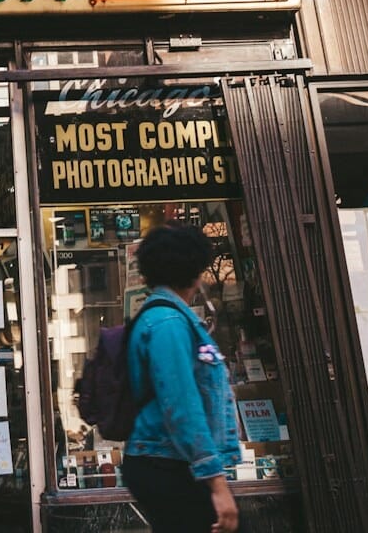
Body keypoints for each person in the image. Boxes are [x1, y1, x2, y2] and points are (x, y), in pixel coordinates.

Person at [121, 223, 241, 532]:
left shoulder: (168, 318)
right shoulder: (168, 323)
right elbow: (182, 406)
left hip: (170, 463)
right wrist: (217, 484)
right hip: (167, 464)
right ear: (194, 272)